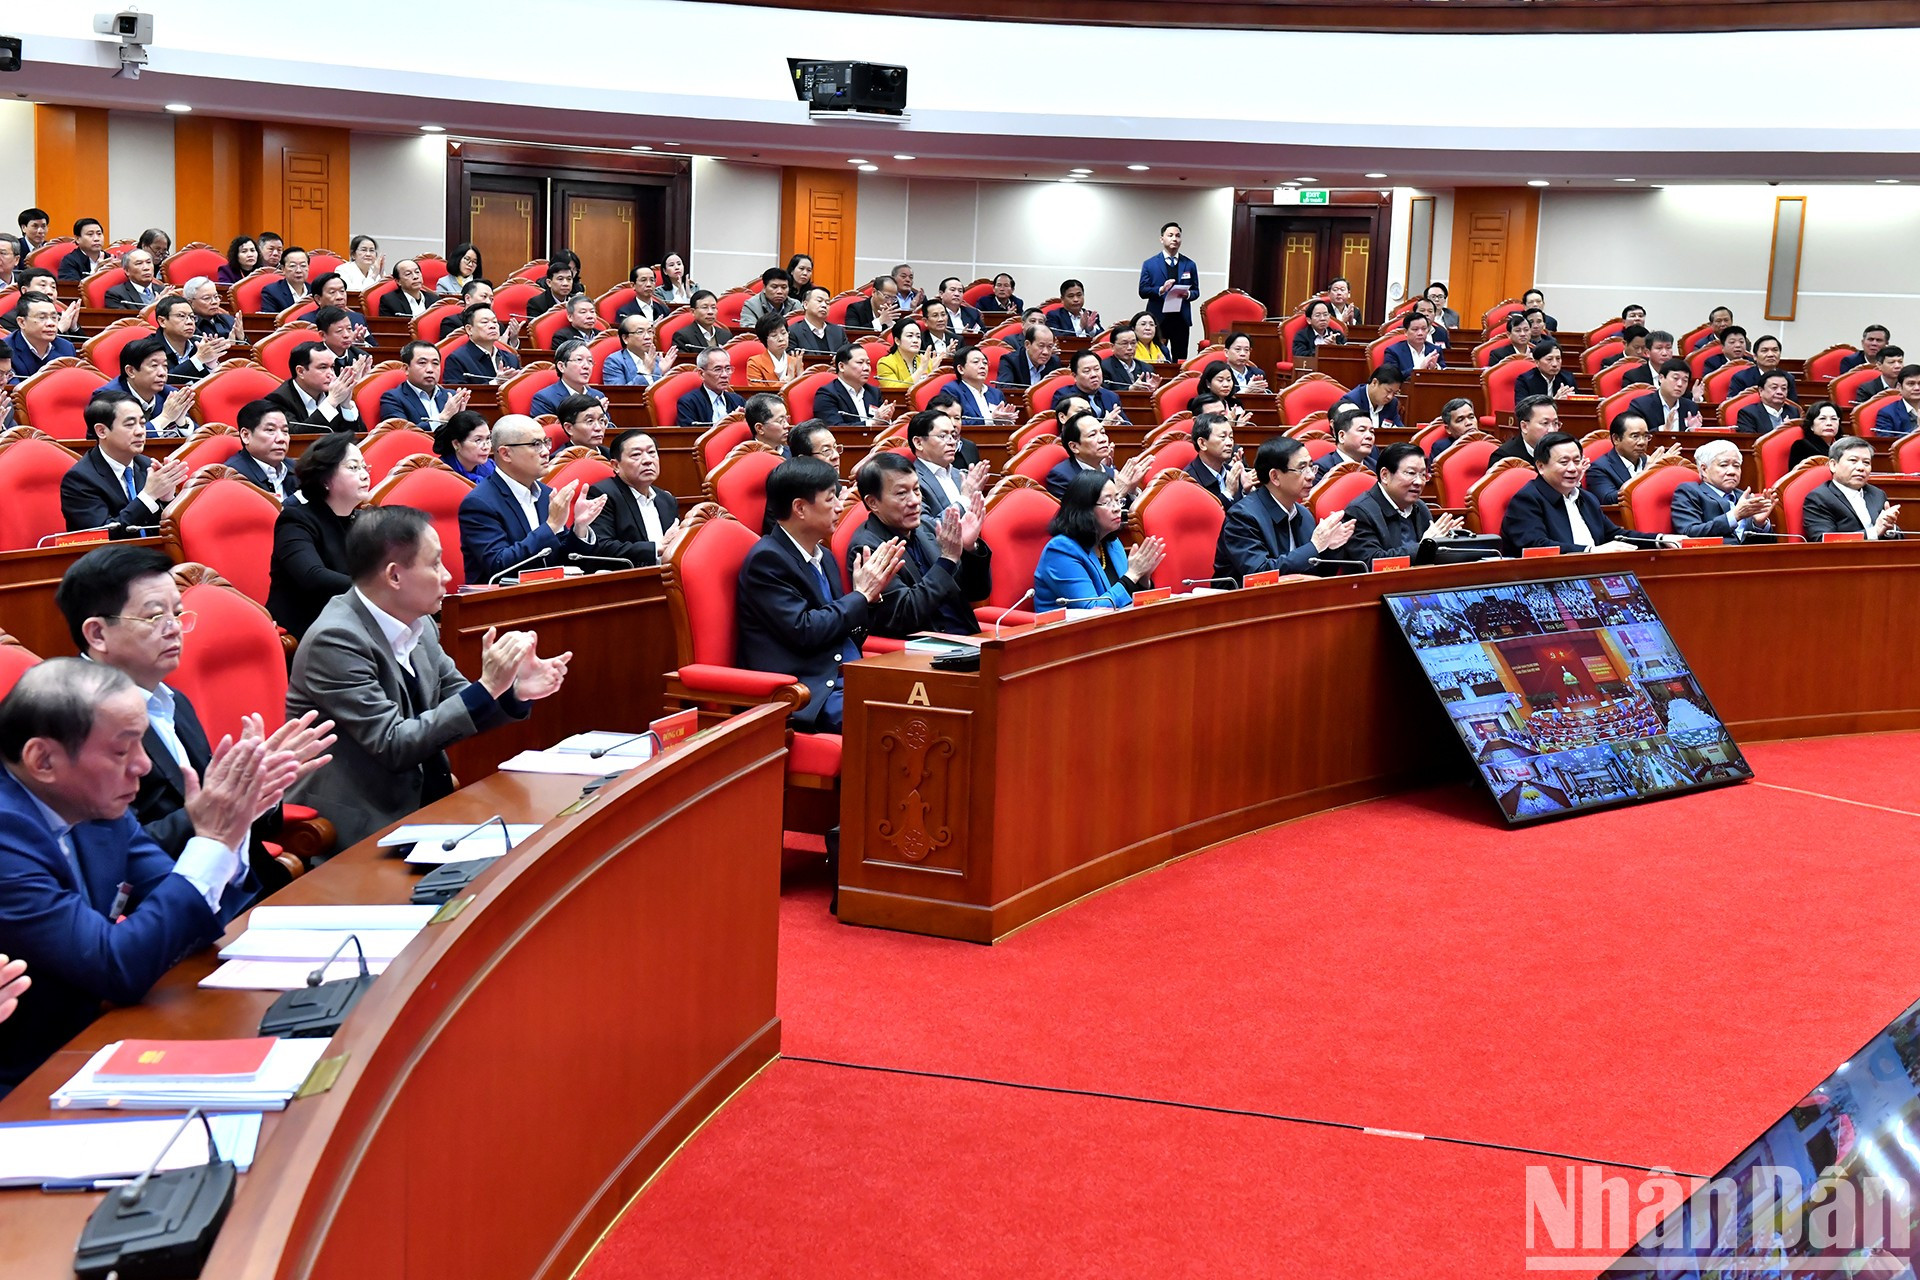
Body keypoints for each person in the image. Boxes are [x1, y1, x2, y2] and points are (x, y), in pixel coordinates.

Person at [0, 659, 299, 1091]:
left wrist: (232, 830)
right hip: (27, 1079)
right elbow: (115, 966)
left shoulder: (98, 808)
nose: (142, 765)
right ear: (43, 760)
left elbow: (195, 914)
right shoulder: (7, 835)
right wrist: (213, 841)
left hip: (95, 1041)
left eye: (142, 743)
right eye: (122, 751)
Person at [286, 506, 570, 847]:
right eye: (435, 564)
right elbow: (393, 744)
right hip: (360, 824)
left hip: (426, 808)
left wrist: (514, 690)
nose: (447, 575)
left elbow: (462, 703)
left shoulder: (419, 625)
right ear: (394, 576)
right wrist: (488, 687)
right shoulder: (335, 640)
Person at [55, 545, 333, 889]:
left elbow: (237, 819)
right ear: (97, 634)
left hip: (246, 888)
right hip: (165, 906)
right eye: (155, 617)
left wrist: (258, 788)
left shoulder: (173, 700)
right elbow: (110, 859)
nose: (174, 629)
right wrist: (218, 805)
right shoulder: (75, 724)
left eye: (177, 614)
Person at [736, 457, 905, 732]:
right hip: (808, 691)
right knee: (898, 722)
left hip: (846, 675)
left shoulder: (824, 556)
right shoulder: (766, 561)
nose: (840, 506)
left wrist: (870, 599)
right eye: (830, 499)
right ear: (800, 508)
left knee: (930, 698)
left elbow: (845, 630)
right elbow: (805, 631)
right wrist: (860, 596)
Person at [849, 451, 991, 639]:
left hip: (967, 637)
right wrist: (947, 560)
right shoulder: (868, 548)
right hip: (922, 647)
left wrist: (968, 549)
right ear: (873, 503)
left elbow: (976, 593)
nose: (915, 501)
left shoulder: (926, 528)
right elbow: (904, 615)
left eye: (916, 490)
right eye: (902, 493)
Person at [457, 415, 608, 583]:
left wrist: (580, 527)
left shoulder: (545, 494)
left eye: (546, 442)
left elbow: (566, 560)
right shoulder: (479, 503)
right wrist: (551, 525)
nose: (546, 452)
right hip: (503, 597)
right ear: (506, 453)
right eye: (536, 444)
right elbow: (499, 566)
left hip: (549, 592)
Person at [1499, 432, 1671, 556]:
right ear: (1541, 466)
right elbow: (1537, 547)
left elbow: (1614, 535)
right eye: (1564, 462)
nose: (1573, 469)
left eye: (1577, 461)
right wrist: (1590, 551)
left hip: (1593, 574)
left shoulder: (1586, 498)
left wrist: (1661, 539)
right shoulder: (1527, 500)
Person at [266, 434, 368, 639]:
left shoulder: (365, 521)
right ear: (325, 479)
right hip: (308, 628)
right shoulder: (295, 521)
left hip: (351, 621)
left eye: (365, 467)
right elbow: (313, 577)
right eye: (353, 467)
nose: (364, 475)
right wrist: (376, 590)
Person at [1213, 436, 1354, 583]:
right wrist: (1314, 546)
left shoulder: (1304, 514)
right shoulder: (1242, 517)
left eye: (1311, 466)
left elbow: (1317, 575)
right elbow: (1260, 575)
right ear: (1275, 477)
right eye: (1302, 468)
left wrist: (1330, 547)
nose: (1311, 476)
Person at [1034, 469, 1163, 610]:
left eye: (1118, 500)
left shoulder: (1112, 543)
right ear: (1084, 508)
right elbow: (1092, 610)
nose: (1117, 508)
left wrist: (1142, 580)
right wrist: (1133, 574)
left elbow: (1127, 598)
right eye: (1107, 502)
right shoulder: (1060, 550)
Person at [61, 395, 187, 536]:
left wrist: (167, 500)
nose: (140, 431)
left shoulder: (147, 466)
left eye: (142, 423)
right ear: (102, 431)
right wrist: (148, 496)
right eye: (129, 425)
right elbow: (102, 536)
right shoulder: (80, 479)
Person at [1343, 443, 1464, 565]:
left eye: (1423, 475)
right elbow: (1372, 562)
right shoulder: (1360, 512)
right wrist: (1425, 546)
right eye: (1411, 473)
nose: (1419, 482)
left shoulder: (1420, 507)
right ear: (1385, 475)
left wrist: (1447, 542)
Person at [588, 430, 679, 567]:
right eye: (636, 454)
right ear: (616, 465)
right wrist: (656, 548)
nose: (648, 460)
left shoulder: (667, 500)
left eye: (652, 452)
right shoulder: (603, 494)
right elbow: (601, 546)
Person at [1671, 440, 1777, 543]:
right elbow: (1689, 533)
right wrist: (1734, 516)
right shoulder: (1690, 492)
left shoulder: (1745, 498)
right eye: (1723, 465)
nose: (1732, 472)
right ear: (1704, 469)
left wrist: (1759, 524)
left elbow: (1770, 547)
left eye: (1736, 466)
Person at [1802, 436, 1903, 541]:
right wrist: (1875, 532)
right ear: (1833, 465)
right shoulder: (1819, 498)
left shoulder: (1877, 494)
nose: (1861, 468)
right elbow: (1825, 541)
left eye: (1866, 462)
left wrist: (1889, 529)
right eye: (1853, 460)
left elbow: (1897, 537)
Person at [98, 336, 197, 437]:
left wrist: (182, 423)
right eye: (154, 366)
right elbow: (121, 439)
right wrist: (165, 418)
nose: (162, 373)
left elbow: (199, 437)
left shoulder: (168, 394)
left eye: (165, 366)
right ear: (131, 371)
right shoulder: (107, 400)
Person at [907, 409, 988, 521]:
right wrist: (965, 499)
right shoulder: (911, 482)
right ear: (918, 443)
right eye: (942, 436)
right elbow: (926, 527)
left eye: (953, 435)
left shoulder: (962, 475)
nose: (952, 442)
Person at [1586, 411, 1680, 505]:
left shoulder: (1648, 461)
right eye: (1635, 436)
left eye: (1646, 436)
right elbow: (1608, 499)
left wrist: (1665, 471)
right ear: (1616, 439)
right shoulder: (1599, 468)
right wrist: (1645, 475)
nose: (1642, 442)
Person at [266, 342, 364, 432]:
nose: (331, 374)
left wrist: (345, 405)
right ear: (301, 371)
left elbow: (358, 438)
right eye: (323, 367)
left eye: (332, 367)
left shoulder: (332, 392)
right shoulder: (278, 400)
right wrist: (331, 402)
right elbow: (296, 437)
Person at [1138, 221, 1199, 361]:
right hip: (1159, 319)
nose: (1174, 239)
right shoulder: (1150, 264)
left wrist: (1188, 294)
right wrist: (1161, 289)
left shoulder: (1189, 264)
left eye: (1178, 236)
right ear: (1162, 239)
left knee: (1180, 358)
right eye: (1170, 235)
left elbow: (1196, 291)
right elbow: (1143, 291)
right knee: (1157, 357)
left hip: (1181, 319)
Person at [229, 399, 299, 501]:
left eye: (285, 431)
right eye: (270, 430)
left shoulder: (297, 469)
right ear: (246, 435)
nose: (281, 439)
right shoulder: (234, 477)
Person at [814, 345, 897, 427]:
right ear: (842, 367)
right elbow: (834, 428)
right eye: (860, 363)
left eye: (868, 363)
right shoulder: (827, 394)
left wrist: (886, 419)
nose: (866, 368)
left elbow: (880, 422)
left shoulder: (874, 392)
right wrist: (873, 422)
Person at [441, 303, 524, 385]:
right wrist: (495, 383)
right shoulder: (457, 359)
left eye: (495, 321)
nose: (492, 326)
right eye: (485, 322)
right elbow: (456, 391)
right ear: (469, 329)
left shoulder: (511, 358)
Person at [153, 293, 228, 383]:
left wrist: (210, 366)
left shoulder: (199, 345)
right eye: (181, 316)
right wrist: (198, 359)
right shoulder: (149, 349)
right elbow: (161, 381)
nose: (190, 322)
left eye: (192, 317)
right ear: (162, 321)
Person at [529, 341, 608, 420]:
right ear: (561, 366)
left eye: (590, 361)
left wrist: (603, 419)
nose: (586, 366)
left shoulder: (598, 396)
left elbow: (610, 426)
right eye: (579, 359)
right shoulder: (545, 399)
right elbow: (549, 427)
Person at [944, 344, 1018, 428]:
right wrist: (990, 419)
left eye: (985, 363)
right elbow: (950, 422)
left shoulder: (996, 394)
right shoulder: (952, 391)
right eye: (976, 362)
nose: (982, 366)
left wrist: (1007, 421)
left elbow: (1003, 422)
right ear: (961, 369)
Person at [1185, 412, 1249, 507]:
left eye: (1231, 437)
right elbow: (1205, 514)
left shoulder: (1233, 473)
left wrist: (1247, 491)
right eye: (1222, 437)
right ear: (1202, 443)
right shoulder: (1189, 481)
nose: (1229, 443)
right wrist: (1228, 493)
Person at [7, 296, 78, 379]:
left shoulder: (66, 348)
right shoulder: (5, 349)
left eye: (54, 317)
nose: (51, 323)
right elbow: (11, 384)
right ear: (22, 322)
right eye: (42, 317)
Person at [677, 347, 747, 428]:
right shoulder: (689, 403)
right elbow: (690, 434)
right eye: (717, 369)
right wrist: (730, 420)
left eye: (728, 369)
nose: (724, 375)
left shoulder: (738, 401)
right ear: (701, 374)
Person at [1628, 359, 1704, 432]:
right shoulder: (1641, 406)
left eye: (1685, 380)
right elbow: (1636, 435)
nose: (1680, 384)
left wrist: (1692, 431)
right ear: (1661, 378)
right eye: (1675, 378)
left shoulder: (1691, 407)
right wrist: (1663, 429)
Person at [1052, 349, 1128, 422]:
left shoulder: (1111, 397)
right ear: (1074, 376)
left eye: (1097, 369)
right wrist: (1102, 426)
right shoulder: (1064, 396)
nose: (1094, 375)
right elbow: (1065, 428)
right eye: (1087, 371)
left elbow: (1128, 425)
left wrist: (1120, 423)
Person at [1489, 396, 1560, 468]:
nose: (1552, 430)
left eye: (1555, 423)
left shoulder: (1560, 451)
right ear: (1524, 427)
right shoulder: (1504, 458)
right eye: (1545, 423)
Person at [1313, 404, 1379, 481]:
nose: (1369, 436)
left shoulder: (1375, 466)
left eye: (1372, 431)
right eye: (1362, 430)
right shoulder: (1322, 468)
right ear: (1342, 436)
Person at [604, 314, 671, 387]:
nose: (648, 337)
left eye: (650, 331)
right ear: (625, 338)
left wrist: (663, 374)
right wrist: (646, 371)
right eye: (640, 332)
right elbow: (618, 392)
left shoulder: (658, 360)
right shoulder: (614, 362)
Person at [876, 316, 941, 389]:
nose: (915, 340)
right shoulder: (885, 363)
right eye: (910, 336)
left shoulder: (924, 361)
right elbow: (895, 390)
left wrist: (933, 371)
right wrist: (921, 369)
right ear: (897, 341)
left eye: (918, 336)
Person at [434, 409, 495, 483]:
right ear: (456, 444)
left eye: (488, 438)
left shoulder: (490, 467)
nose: (486, 447)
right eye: (478, 440)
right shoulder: (440, 473)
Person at [1730, 334, 1796, 400]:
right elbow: (1734, 404)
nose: (1770, 354)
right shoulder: (1741, 378)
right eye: (1764, 350)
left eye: (1775, 350)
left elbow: (1792, 404)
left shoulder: (1788, 378)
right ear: (1755, 356)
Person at [996, 322, 1062, 389]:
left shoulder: (1054, 362)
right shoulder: (1010, 361)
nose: (1046, 352)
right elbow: (1004, 388)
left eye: (1049, 347)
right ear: (1027, 345)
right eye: (1041, 346)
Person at [1337, 364, 1405, 429]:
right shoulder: (1352, 402)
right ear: (1374, 382)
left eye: (1394, 393)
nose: (1390, 397)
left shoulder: (1392, 403)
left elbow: (1400, 430)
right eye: (1388, 391)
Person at [1735, 370, 1800, 435]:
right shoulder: (1749, 413)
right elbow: (1749, 439)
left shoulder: (1793, 411)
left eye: (1784, 388)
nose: (1779, 392)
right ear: (1761, 391)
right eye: (1774, 387)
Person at [789, 285, 849, 355]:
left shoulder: (838, 332)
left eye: (827, 303)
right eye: (819, 301)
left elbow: (848, 356)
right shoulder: (793, 332)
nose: (824, 305)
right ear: (806, 305)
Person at [671, 290, 729, 356]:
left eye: (713, 307)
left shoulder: (726, 335)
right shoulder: (683, 336)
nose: (710, 312)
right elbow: (684, 362)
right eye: (705, 307)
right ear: (693, 312)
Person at [1789, 401, 1844, 469]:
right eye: (1822, 418)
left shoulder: (1845, 446)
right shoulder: (1802, 447)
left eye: (1834, 419)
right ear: (1811, 425)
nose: (1829, 423)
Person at [746, 313, 797, 386]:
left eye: (783, 333)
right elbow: (758, 392)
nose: (781, 339)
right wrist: (786, 381)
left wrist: (800, 372)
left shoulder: (794, 361)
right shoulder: (755, 363)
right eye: (774, 335)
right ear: (764, 339)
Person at [1102, 325, 1159, 391]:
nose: (1130, 348)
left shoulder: (1147, 368)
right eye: (1124, 343)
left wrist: (1152, 390)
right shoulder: (1104, 368)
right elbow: (1104, 394)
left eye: (1133, 343)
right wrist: (1130, 389)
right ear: (1112, 347)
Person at [182, 277, 239, 343]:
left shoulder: (230, 320)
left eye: (216, 296)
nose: (214, 302)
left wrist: (241, 339)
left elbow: (246, 346)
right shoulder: (186, 325)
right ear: (190, 303)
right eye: (207, 298)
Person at [258, 247, 311, 314]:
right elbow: (269, 319)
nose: (299, 270)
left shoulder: (315, 291)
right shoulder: (272, 292)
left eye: (303, 265)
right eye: (292, 266)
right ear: (283, 269)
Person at [1430, 397, 1481, 462]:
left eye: (1471, 417)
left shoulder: (1489, 442)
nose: (1469, 423)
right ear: (1448, 429)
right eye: (1460, 420)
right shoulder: (1442, 448)